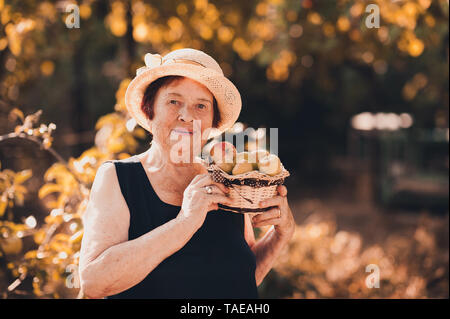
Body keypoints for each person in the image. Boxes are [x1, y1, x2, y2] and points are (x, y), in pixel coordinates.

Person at [78, 48, 295, 299]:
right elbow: (93, 282)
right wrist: (185, 224)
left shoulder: (226, 181)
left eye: (201, 106)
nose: (187, 116)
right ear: (150, 108)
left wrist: (280, 236)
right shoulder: (119, 178)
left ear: (213, 121)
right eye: (174, 101)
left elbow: (240, 277)